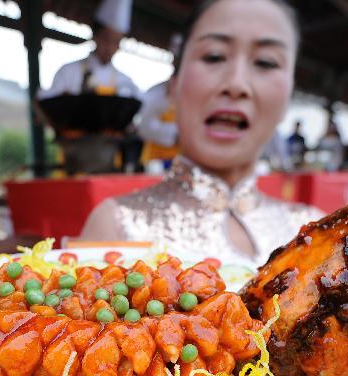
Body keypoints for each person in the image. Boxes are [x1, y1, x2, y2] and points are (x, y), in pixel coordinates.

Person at [80, 0, 323, 266]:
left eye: (265, 62)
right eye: (214, 56)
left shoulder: (317, 234)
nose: (236, 84)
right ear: (174, 85)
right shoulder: (116, 227)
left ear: (289, 92)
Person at [39, 0, 140, 99]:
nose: (110, 47)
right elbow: (44, 101)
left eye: (116, 42)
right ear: (95, 36)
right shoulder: (69, 71)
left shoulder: (126, 83)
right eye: (106, 39)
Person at [138, 34, 183, 167]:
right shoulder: (156, 92)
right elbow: (144, 127)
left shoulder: (198, 96)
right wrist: (176, 136)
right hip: (153, 163)